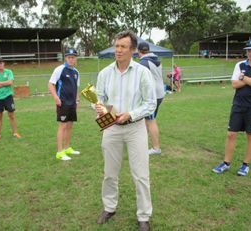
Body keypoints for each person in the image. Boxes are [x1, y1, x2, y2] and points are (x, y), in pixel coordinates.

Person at [95, 31, 156, 231]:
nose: (118, 50)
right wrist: (99, 108)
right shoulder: (104, 73)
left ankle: (144, 217)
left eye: (123, 47)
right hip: (111, 128)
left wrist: (131, 114)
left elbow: (150, 103)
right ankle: (109, 207)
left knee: (140, 175)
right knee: (109, 173)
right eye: (117, 46)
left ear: (132, 51)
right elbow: (99, 99)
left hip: (135, 128)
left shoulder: (142, 72)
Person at [212, 38, 251, 176]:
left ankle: (245, 165)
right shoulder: (240, 65)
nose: (250, 53)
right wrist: (250, 79)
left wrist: (243, 78)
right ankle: (226, 163)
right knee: (231, 134)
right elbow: (234, 84)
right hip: (238, 104)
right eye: (248, 51)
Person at [48, 48, 80, 161]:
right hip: (63, 103)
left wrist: (77, 101)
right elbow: (51, 84)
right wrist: (56, 98)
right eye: (69, 57)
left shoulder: (76, 72)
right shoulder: (60, 69)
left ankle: (67, 148)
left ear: (76, 58)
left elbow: (76, 87)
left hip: (72, 103)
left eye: (73, 57)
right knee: (63, 125)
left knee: (70, 125)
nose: (71, 59)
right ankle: (60, 152)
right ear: (66, 58)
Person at [138, 42, 165, 155]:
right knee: (146, 120)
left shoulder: (143, 63)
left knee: (150, 121)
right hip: (159, 93)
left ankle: (156, 148)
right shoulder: (156, 59)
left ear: (139, 52)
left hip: (152, 95)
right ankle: (141, 143)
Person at [0, 57, 21, 140]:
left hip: (8, 96)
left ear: (3, 63)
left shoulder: (9, 72)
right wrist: (4, 83)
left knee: (11, 115)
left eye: (1, 62)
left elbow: (10, 82)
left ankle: (15, 133)